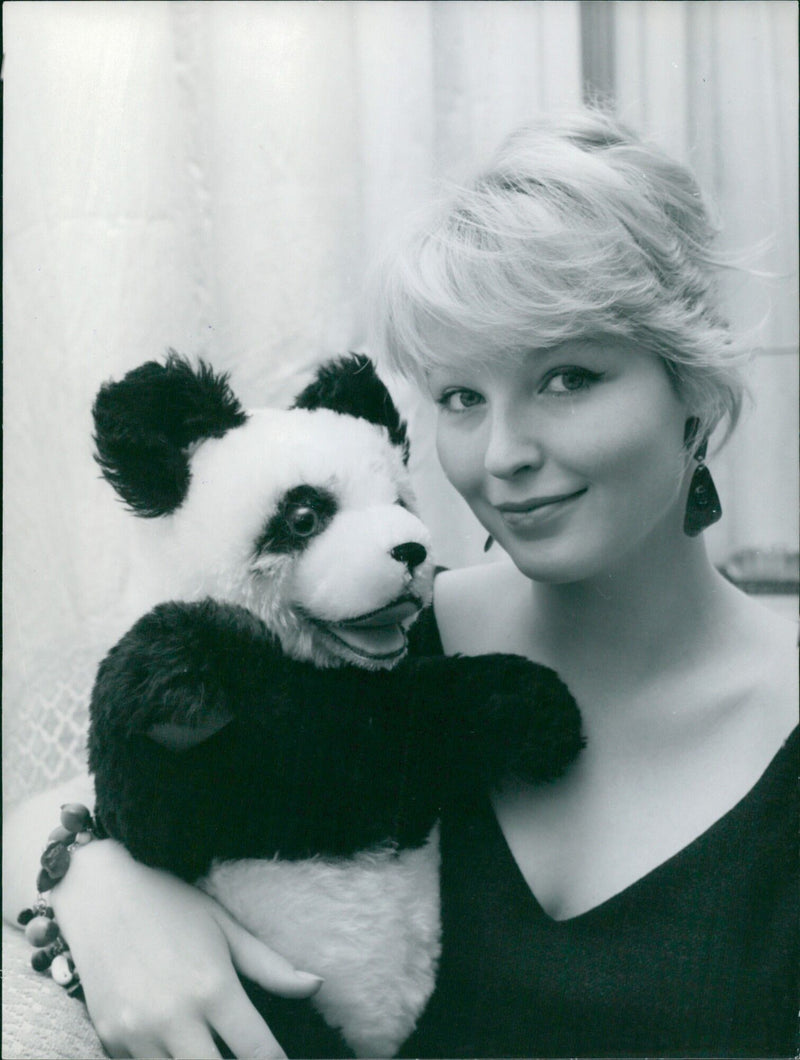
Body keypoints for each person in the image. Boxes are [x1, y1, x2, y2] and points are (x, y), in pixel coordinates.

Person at [4, 110, 797, 1059]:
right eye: (462, 397)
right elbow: (34, 820)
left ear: (696, 389)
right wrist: (101, 892)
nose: (502, 456)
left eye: (568, 378)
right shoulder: (372, 637)